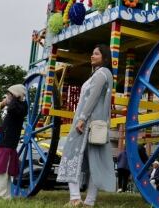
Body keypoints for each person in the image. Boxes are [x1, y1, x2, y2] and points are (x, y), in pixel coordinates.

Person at [57, 44, 117, 206]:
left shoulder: (101, 74)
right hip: (96, 124)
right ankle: (89, 201)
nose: (92, 56)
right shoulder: (103, 74)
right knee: (94, 163)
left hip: (86, 123)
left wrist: (82, 118)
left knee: (70, 154)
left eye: (96, 54)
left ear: (105, 58)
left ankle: (75, 197)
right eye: (92, 53)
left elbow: (93, 98)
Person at [0, 84, 28, 200]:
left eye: (9, 94)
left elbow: (12, 107)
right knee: (5, 171)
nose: (6, 97)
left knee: (3, 171)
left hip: (7, 144)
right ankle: (6, 195)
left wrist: (13, 99)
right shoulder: (18, 106)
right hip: (6, 143)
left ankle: (2, 195)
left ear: (15, 96)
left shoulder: (17, 107)